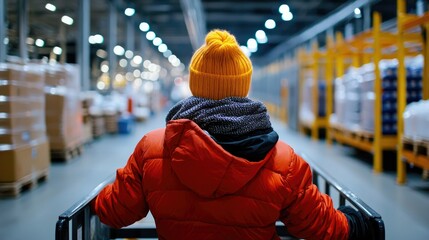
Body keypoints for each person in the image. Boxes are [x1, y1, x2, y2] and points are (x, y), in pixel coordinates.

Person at [92, 29, 369, 240]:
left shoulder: (152, 148)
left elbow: (115, 210)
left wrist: (99, 196)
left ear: (195, 83)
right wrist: (352, 223)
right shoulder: (283, 161)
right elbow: (317, 223)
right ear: (244, 85)